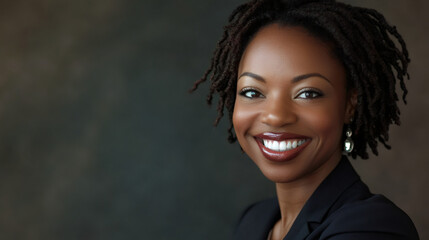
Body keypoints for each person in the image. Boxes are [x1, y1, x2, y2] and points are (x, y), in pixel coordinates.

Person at [191, 0, 419, 239]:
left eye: (308, 93)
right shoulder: (253, 221)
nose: (276, 116)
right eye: (252, 92)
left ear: (350, 105)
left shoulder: (373, 227)